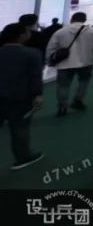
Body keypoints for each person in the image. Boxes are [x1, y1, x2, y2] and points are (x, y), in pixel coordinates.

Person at [0, 22, 45, 170]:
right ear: (21, 36)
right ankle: (23, 157)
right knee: (19, 127)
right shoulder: (32, 53)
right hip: (20, 98)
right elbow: (35, 77)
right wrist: (38, 95)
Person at [46, 12, 93, 116]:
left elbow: (51, 47)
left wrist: (50, 60)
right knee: (83, 83)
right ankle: (78, 101)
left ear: (72, 19)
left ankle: (62, 106)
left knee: (63, 86)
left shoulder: (60, 32)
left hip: (64, 64)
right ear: (84, 20)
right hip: (86, 62)